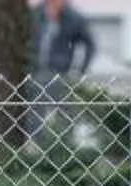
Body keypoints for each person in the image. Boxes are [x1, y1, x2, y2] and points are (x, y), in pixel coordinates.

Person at [29, 0, 96, 137]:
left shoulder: (72, 17)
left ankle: (63, 144)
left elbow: (89, 44)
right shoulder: (36, 13)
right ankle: (35, 143)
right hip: (36, 71)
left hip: (60, 72)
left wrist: (80, 70)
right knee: (34, 112)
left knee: (64, 113)